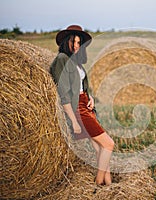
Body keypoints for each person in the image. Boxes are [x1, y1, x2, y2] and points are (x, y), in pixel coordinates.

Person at [50, 25, 114, 186]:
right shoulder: (62, 60)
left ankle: (109, 186)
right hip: (77, 109)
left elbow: (81, 87)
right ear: (66, 42)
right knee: (109, 144)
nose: (77, 46)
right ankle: (99, 184)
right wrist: (74, 120)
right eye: (74, 42)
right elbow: (63, 93)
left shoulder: (77, 63)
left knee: (100, 149)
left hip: (86, 105)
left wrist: (90, 97)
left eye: (79, 43)